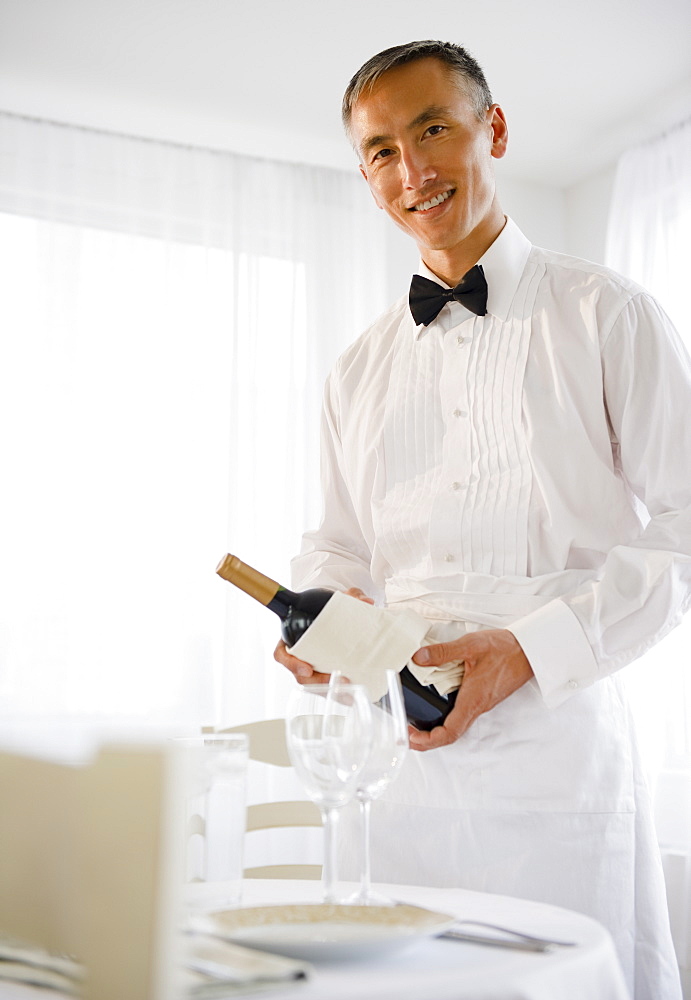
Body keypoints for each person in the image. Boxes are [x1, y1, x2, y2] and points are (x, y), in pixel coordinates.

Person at [275, 39, 689, 999]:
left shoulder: (610, 315)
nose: (411, 171)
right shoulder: (354, 367)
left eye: (432, 130)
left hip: (555, 746)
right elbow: (337, 540)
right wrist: (325, 618)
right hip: (396, 758)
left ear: (490, 130)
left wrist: (528, 648)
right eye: (380, 150)